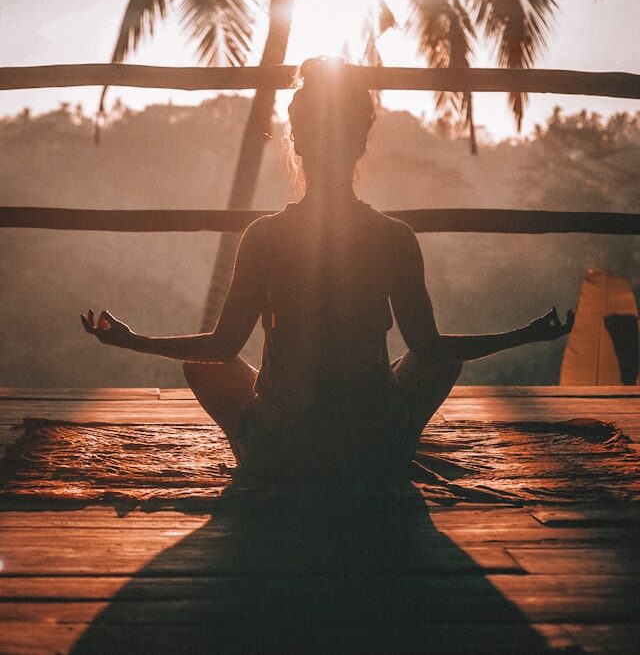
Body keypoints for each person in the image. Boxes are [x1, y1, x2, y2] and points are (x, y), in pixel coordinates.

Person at [82, 57, 574, 486]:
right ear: (360, 144)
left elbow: (221, 348)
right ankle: (391, 443)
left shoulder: (265, 236)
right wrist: (525, 334)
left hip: (281, 454)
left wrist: (133, 340)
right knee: (442, 358)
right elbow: (430, 350)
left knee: (202, 364)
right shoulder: (393, 236)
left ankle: (256, 449)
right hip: (373, 452)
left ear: (297, 142)